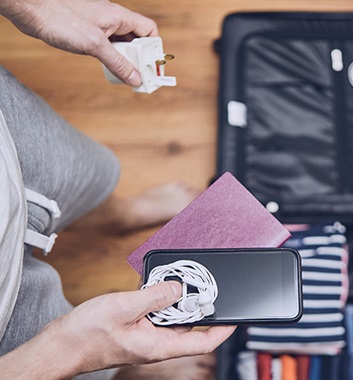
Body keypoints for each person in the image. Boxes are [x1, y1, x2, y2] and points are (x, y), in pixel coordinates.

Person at [0, 0, 235, 378]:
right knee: (96, 365)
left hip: (7, 143)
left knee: (83, 175)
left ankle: (119, 214)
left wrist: (33, 5)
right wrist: (63, 352)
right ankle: (130, 369)